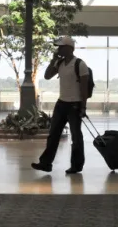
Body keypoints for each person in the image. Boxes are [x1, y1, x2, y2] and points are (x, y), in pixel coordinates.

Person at [32, 36, 89, 176]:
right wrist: (53, 60)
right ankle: (46, 163)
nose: (58, 49)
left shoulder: (80, 64)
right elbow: (47, 76)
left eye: (61, 47)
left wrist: (83, 107)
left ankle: (76, 166)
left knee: (76, 136)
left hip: (75, 105)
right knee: (53, 135)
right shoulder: (60, 63)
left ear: (69, 48)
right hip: (61, 103)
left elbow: (84, 88)